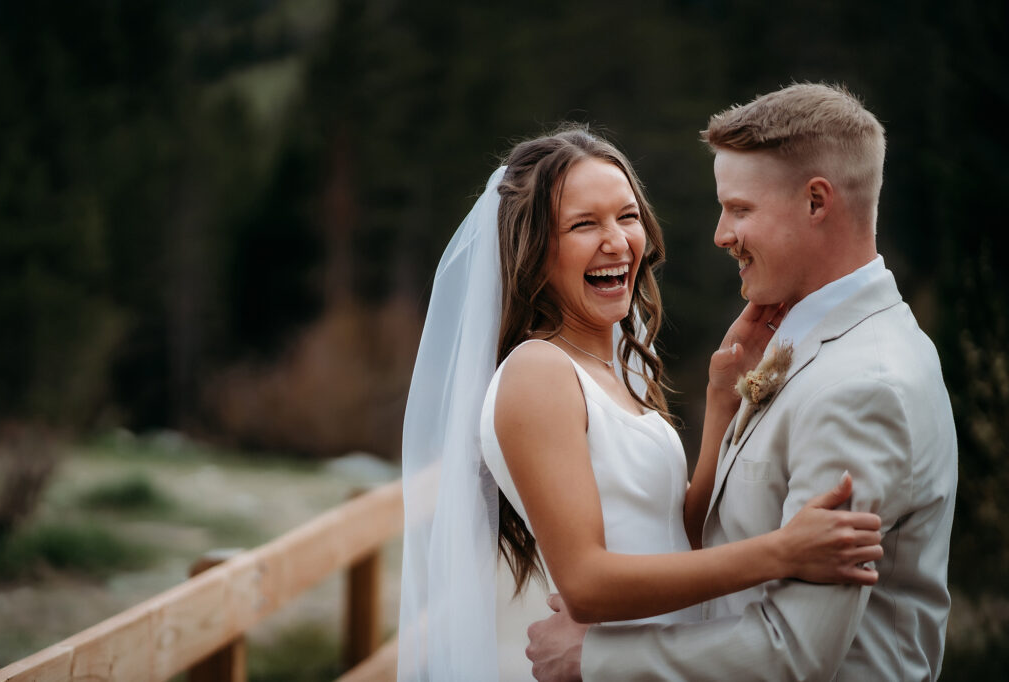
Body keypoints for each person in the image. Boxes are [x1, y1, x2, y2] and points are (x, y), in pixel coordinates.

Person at [398, 124, 885, 681]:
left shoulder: (610, 370)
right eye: (584, 224)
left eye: (627, 216)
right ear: (534, 251)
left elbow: (679, 536)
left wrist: (720, 403)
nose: (617, 241)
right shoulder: (538, 372)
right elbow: (585, 585)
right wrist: (784, 552)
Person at [526, 84, 958, 681]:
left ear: (815, 202)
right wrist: (723, 403)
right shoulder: (816, 346)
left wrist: (594, 658)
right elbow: (721, 535)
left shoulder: (863, 386)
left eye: (740, 209)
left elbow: (794, 652)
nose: (720, 234)